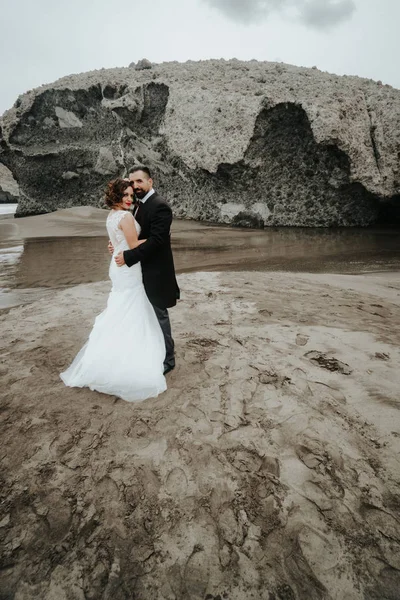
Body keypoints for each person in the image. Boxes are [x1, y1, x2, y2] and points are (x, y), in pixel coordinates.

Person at [60, 178, 167, 402]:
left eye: (131, 195)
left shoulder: (111, 216)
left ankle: (107, 357)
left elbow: (117, 243)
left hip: (118, 266)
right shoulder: (126, 216)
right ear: (116, 197)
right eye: (125, 195)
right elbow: (135, 244)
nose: (129, 199)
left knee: (121, 307)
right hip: (128, 267)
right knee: (131, 307)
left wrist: (117, 247)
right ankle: (128, 358)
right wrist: (160, 239)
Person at [114, 166, 180, 375]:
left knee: (159, 314)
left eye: (140, 181)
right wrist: (120, 246)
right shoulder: (139, 205)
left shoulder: (160, 206)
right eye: (132, 182)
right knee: (146, 315)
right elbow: (134, 236)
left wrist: (128, 256)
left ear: (150, 182)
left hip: (156, 271)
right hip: (141, 271)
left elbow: (158, 241)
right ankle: (153, 350)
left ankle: (168, 359)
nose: (136, 186)